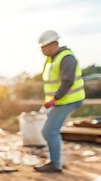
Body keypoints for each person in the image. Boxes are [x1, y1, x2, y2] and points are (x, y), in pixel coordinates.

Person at [34, 30, 85, 173]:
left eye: (44, 47)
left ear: (54, 44)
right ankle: (56, 160)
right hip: (60, 101)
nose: (42, 50)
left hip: (68, 100)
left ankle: (55, 163)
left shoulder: (66, 58)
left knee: (49, 131)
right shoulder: (51, 59)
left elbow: (67, 81)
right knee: (50, 131)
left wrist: (54, 99)